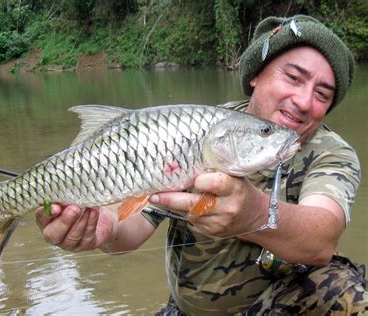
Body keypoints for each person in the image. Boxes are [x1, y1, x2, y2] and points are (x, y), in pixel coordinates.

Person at [35, 15, 368, 314]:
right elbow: (130, 231)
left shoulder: (332, 153)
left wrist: (253, 214)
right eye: (294, 77)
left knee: (346, 293)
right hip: (187, 309)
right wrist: (101, 231)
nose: (304, 101)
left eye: (322, 94)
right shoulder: (191, 130)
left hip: (277, 305)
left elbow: (323, 238)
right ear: (256, 75)